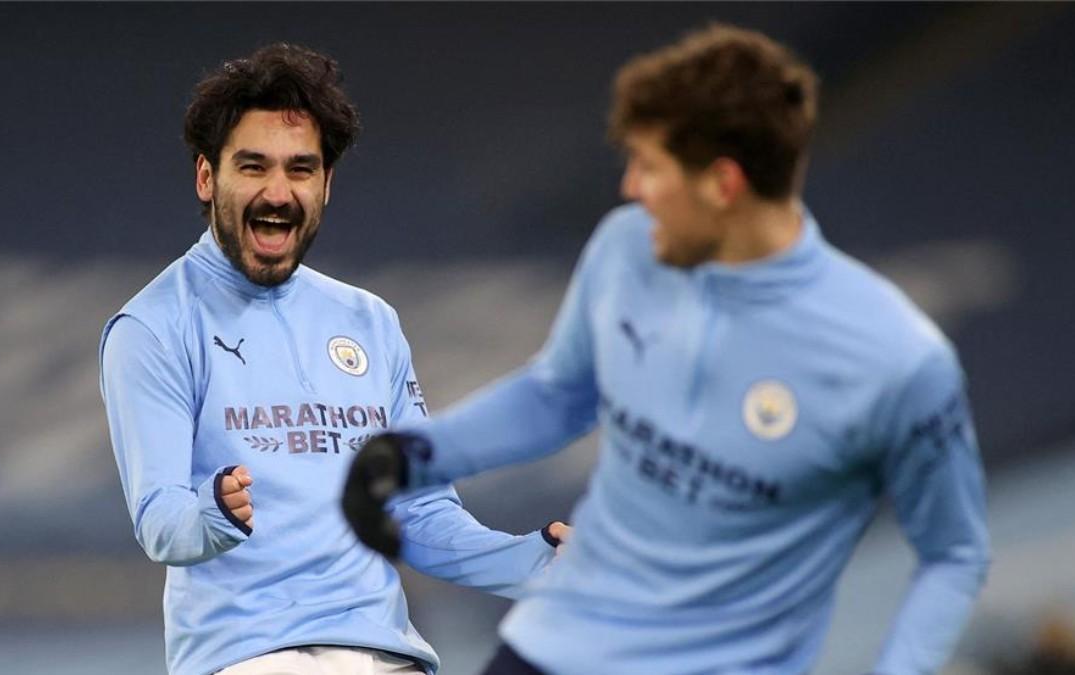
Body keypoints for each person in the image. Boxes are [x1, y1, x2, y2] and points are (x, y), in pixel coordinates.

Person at [342, 23, 991, 675]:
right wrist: (411, 456)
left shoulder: (898, 358)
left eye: (650, 166)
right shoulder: (627, 247)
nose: (631, 187)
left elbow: (952, 553)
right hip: (554, 645)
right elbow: (559, 394)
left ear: (723, 184)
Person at [99, 43, 567, 675]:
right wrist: (214, 510)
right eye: (253, 166)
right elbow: (161, 521)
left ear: (326, 184)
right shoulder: (153, 326)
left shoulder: (369, 322)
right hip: (252, 657)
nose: (278, 191)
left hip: (390, 656)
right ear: (208, 178)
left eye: (300, 168)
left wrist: (533, 563)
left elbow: (417, 513)